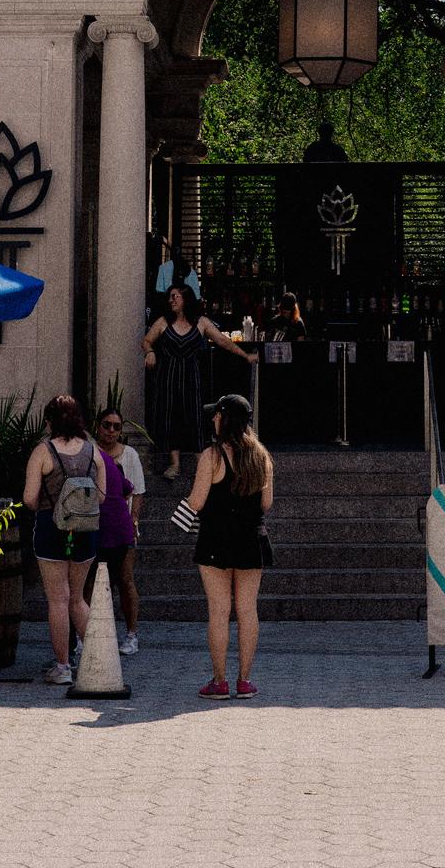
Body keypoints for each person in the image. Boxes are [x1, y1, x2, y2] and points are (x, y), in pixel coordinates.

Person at [186, 392, 273, 699]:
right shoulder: (261, 456)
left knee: (218, 612)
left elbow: (196, 501)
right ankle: (245, 680)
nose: (213, 418)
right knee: (248, 610)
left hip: (215, 538)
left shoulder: (211, 456)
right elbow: (266, 503)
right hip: (251, 538)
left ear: (225, 419)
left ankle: (219, 681)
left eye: (217, 414)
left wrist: (179, 518)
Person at [23, 394, 106, 686]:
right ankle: (99, 659)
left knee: (57, 599)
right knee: (78, 598)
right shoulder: (93, 451)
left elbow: (29, 499)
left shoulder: (43, 452)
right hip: (85, 530)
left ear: (49, 421)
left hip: (51, 529)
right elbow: (103, 495)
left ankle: (62, 667)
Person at [143, 284, 257, 481]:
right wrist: (150, 352)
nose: (171, 300)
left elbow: (222, 340)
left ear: (186, 299)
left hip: (191, 376)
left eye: (175, 296)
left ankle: (201, 463)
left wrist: (245, 355)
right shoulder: (163, 322)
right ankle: (175, 463)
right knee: (171, 414)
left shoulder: (201, 323)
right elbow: (146, 341)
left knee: (194, 416)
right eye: (170, 297)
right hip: (168, 376)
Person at [85, 407, 145, 655]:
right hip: (93, 525)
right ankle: (84, 634)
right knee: (88, 582)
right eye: (107, 425)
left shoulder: (129, 455)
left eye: (116, 426)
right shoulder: (89, 452)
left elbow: (138, 491)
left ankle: (131, 635)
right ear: (98, 426)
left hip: (121, 527)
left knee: (125, 580)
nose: (111, 430)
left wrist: (133, 519)